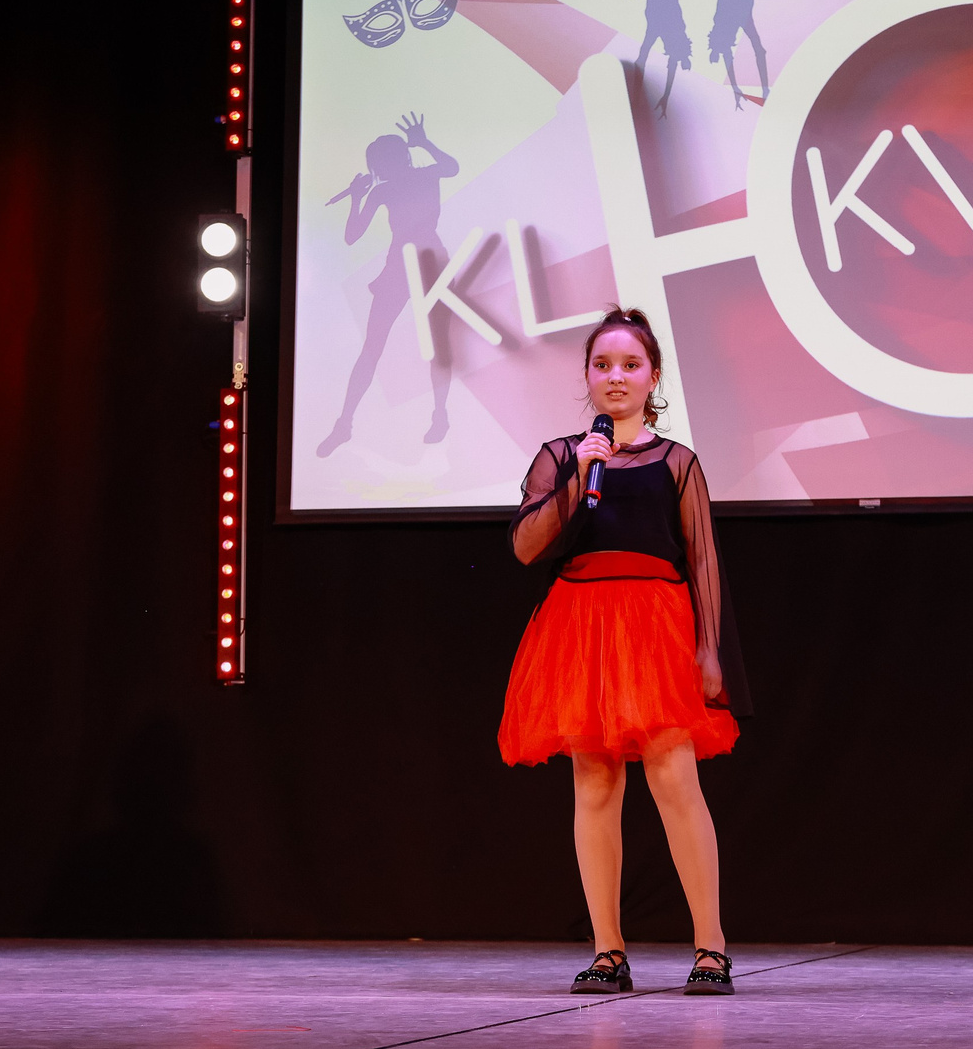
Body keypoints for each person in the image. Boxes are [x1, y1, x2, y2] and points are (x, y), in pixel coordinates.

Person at [499, 308, 752, 996]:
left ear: (653, 377)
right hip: (581, 625)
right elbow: (525, 546)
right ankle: (608, 950)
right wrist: (580, 473)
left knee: (675, 778)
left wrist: (709, 649)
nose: (616, 376)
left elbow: (703, 560)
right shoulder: (562, 456)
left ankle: (711, 948)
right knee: (595, 783)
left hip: (655, 625)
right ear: (586, 376)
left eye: (631, 365)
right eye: (603, 365)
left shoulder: (677, 463)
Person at [316, 113, 458, 456]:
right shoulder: (385, 189)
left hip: (429, 265)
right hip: (401, 268)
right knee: (373, 348)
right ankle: (344, 424)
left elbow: (452, 167)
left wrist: (424, 142)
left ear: (395, 159)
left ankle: (439, 415)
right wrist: (357, 197)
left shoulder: (423, 176)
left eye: (382, 162)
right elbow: (352, 236)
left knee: (436, 345)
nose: (380, 167)